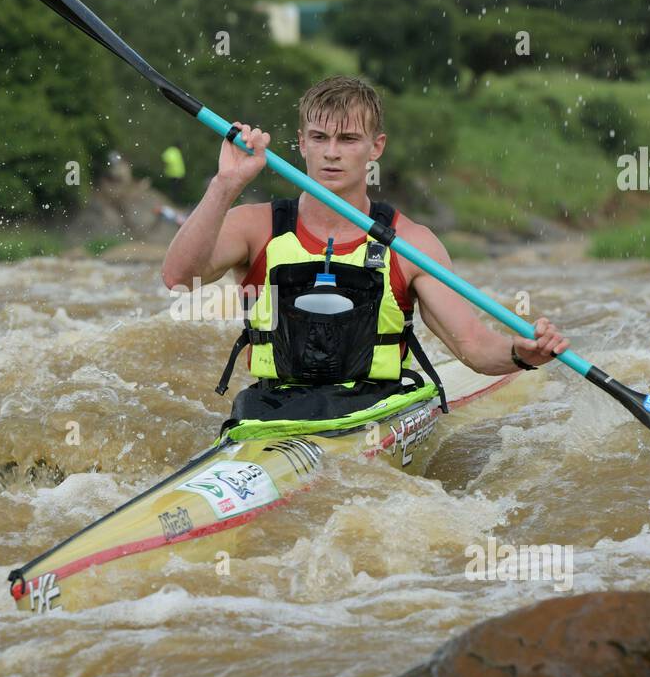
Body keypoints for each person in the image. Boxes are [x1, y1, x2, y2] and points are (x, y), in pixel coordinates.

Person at [160, 75, 569, 424]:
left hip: (375, 412)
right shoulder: (256, 226)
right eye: (319, 137)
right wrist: (225, 184)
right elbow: (178, 277)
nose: (332, 152)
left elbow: (474, 348)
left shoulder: (412, 244)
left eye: (349, 139)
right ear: (301, 144)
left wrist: (524, 353)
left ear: (376, 147)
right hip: (271, 412)